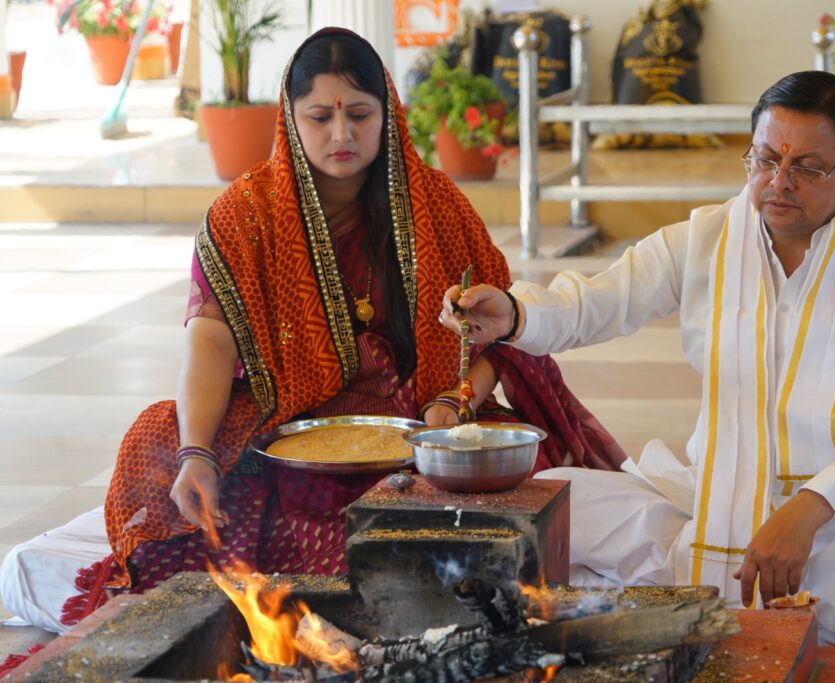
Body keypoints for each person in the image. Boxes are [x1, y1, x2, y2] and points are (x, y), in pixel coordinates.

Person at [0, 28, 625, 633]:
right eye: (320, 115)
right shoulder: (244, 215)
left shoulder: (437, 203)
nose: (342, 133)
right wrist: (195, 452)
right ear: (289, 118)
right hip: (287, 421)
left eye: (359, 113)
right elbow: (211, 340)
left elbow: (495, 339)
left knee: (480, 495)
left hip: (422, 421)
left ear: (388, 114)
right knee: (154, 443)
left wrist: (453, 403)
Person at [440, 70, 835, 645]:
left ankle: (745, 625)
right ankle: (811, 607)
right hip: (713, 502)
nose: (778, 183)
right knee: (563, 495)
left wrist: (812, 506)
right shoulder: (707, 238)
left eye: (807, 168)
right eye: (764, 160)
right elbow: (598, 301)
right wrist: (512, 314)